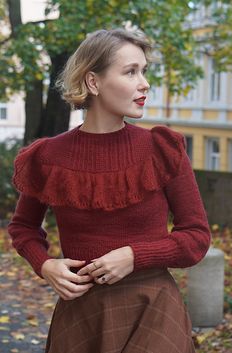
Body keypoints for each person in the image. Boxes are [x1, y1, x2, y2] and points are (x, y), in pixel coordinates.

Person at [8, 28, 211, 353]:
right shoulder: (47, 157)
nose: (144, 83)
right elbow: (22, 227)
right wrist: (45, 265)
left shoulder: (162, 148)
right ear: (93, 82)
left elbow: (197, 237)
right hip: (82, 313)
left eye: (144, 71)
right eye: (131, 72)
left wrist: (134, 256)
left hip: (154, 307)